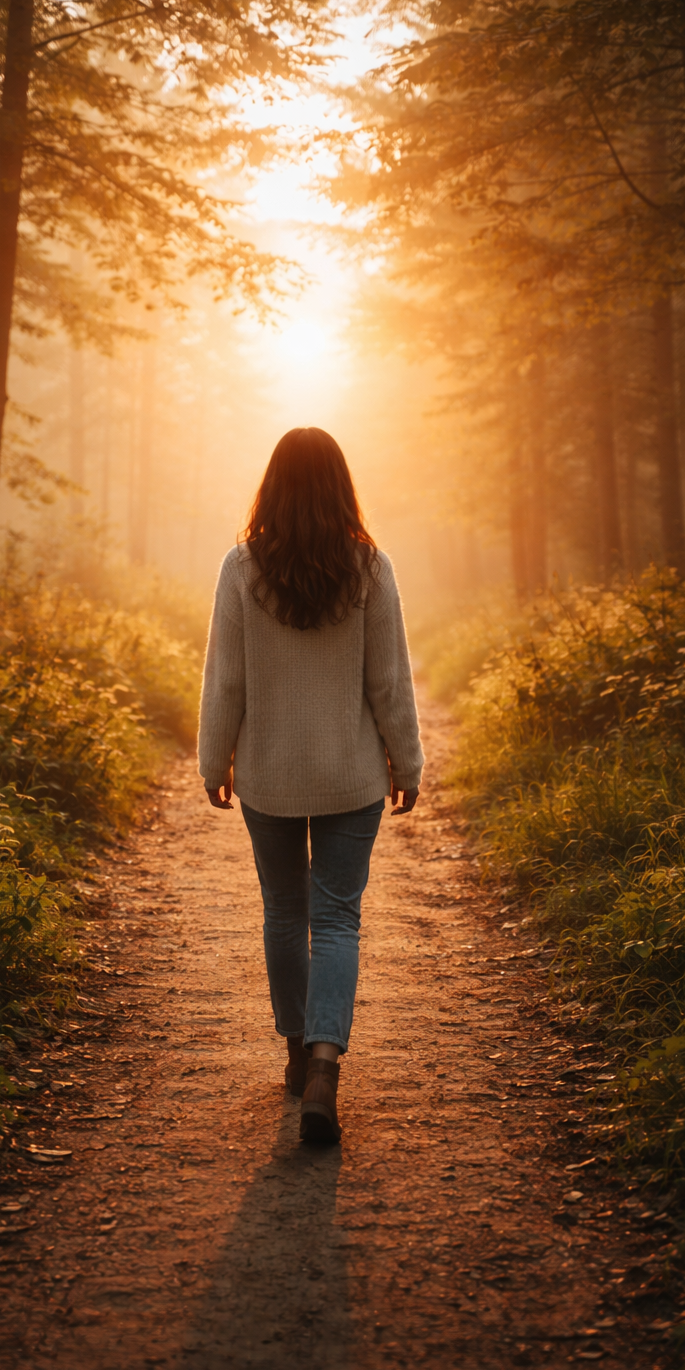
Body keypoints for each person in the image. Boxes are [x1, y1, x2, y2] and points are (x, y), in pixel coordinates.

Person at [197, 426, 424, 1144]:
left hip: (268, 775)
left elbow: (225, 679)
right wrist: (406, 762)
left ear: (273, 486)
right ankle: (327, 1063)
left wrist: (215, 760)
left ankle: (297, 1051)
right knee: (337, 919)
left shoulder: (241, 568)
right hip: (350, 777)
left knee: (285, 912)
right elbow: (388, 681)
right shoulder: (369, 568)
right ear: (339, 487)